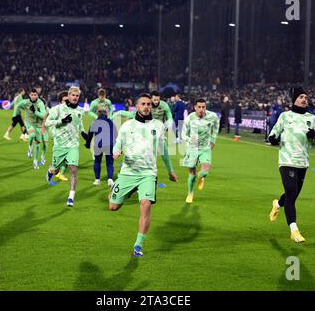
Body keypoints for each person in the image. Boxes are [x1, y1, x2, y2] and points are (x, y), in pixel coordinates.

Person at [109, 93, 178, 257]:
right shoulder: (127, 126)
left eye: (148, 104)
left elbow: (164, 150)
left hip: (148, 173)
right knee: (113, 207)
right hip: (128, 172)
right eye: (143, 104)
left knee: (146, 204)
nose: (146, 106)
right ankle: (115, 191)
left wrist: (170, 170)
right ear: (137, 106)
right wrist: (116, 152)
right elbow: (117, 144)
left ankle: (138, 245)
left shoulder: (158, 126)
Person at [268, 86, 315, 243]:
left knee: (292, 195)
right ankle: (294, 230)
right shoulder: (285, 116)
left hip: (303, 162)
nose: (304, 99)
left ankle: (277, 204)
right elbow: (274, 132)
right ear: (294, 100)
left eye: (306, 97)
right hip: (287, 160)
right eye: (301, 97)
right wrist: (273, 138)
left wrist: (314, 135)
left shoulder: (311, 118)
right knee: (291, 193)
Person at [45, 87, 87, 207]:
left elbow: (80, 124)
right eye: (73, 95)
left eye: (77, 96)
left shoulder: (80, 110)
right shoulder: (58, 109)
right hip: (59, 145)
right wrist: (61, 121)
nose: (75, 97)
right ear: (68, 96)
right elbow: (47, 122)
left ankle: (71, 197)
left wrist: (84, 134)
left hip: (73, 145)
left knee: (73, 169)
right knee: (55, 169)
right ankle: (50, 170)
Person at [181, 99, 219, 204]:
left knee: (205, 171)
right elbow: (183, 134)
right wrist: (190, 140)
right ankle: (190, 193)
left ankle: (201, 176)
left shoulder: (212, 116)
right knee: (191, 172)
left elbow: (216, 126)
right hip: (192, 148)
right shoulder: (189, 118)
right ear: (195, 107)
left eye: (204, 107)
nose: (202, 109)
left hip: (205, 148)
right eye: (199, 107)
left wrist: (213, 140)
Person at [84, 108, 117, 187]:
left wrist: (87, 144)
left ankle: (97, 180)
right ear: (106, 114)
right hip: (110, 144)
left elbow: (89, 136)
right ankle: (110, 179)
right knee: (109, 163)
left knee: (97, 161)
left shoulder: (94, 122)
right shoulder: (111, 122)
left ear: (98, 114)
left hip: (99, 144)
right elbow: (116, 134)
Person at [14, 89, 47, 169]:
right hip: (29, 123)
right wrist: (16, 113)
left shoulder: (40, 103)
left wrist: (35, 112)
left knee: (37, 144)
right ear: (29, 95)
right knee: (31, 135)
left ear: (37, 95)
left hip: (38, 125)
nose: (33, 96)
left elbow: (43, 115)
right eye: (32, 95)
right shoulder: (26, 102)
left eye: (35, 95)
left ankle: (35, 161)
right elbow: (18, 105)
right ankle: (29, 148)